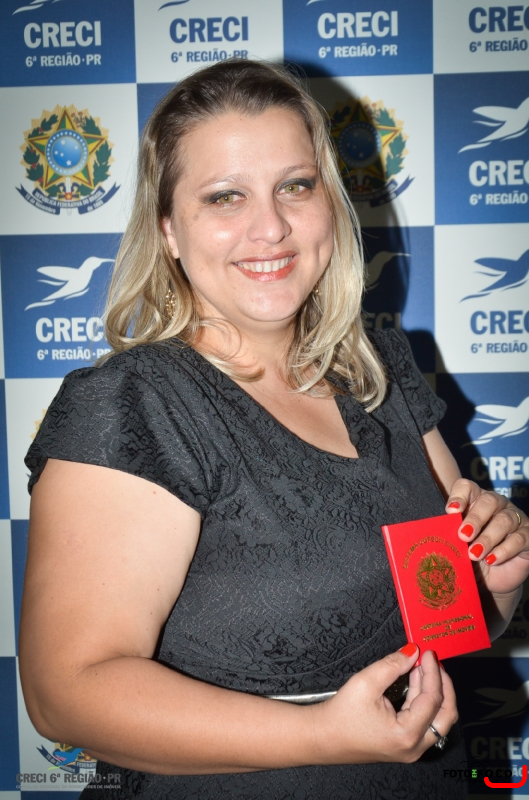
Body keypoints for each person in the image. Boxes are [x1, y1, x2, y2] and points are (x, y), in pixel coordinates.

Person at [20, 60, 528, 800]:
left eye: (295, 185)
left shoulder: (379, 371)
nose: (271, 227)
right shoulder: (135, 403)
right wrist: (320, 734)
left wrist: (497, 578)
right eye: (225, 196)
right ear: (168, 230)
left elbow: (447, 621)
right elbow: (65, 695)